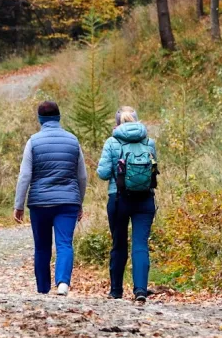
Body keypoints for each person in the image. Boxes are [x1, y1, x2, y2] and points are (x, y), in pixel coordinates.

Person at [14, 101, 88, 296]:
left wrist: (19, 205)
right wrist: (79, 201)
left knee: (41, 246)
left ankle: (43, 289)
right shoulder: (73, 141)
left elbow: (25, 176)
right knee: (64, 243)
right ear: (59, 117)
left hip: (40, 203)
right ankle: (63, 283)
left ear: (40, 119)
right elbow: (82, 176)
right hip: (68, 202)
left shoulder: (33, 142)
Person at [97, 106, 157, 302]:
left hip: (118, 199)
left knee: (119, 244)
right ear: (137, 121)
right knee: (140, 245)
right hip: (145, 199)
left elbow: (103, 173)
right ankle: (140, 290)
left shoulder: (112, 142)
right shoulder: (149, 142)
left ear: (117, 124)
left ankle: (116, 291)